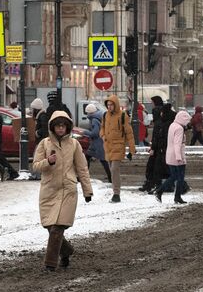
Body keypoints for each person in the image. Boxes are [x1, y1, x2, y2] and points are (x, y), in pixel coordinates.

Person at [32, 111, 93, 271]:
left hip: (68, 190)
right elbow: (35, 166)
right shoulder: (44, 144)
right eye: (58, 126)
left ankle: (50, 264)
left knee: (58, 228)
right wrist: (48, 162)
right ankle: (66, 251)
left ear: (67, 127)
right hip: (49, 191)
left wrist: (87, 191)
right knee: (50, 227)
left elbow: (82, 168)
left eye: (63, 126)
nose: (61, 129)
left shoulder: (74, 144)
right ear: (52, 127)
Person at [100, 95, 136, 203]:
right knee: (112, 170)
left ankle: (116, 193)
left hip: (118, 146)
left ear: (115, 105)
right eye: (108, 105)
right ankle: (115, 191)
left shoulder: (123, 115)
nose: (109, 107)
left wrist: (131, 150)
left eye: (111, 105)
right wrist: (103, 136)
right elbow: (102, 127)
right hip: (108, 146)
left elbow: (129, 134)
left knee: (114, 169)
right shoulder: (105, 115)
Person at [154, 110, 191, 204]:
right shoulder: (179, 129)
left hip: (170, 155)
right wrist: (179, 157)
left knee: (174, 176)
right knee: (179, 178)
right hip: (177, 156)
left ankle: (163, 192)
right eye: (187, 121)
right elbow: (177, 144)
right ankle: (172, 195)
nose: (187, 123)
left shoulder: (172, 125)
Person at [138, 97, 165, 192]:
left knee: (152, 167)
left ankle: (152, 185)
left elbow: (156, 135)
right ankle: (153, 184)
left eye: (152, 102)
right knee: (156, 167)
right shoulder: (162, 115)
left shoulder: (157, 115)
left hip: (158, 147)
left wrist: (153, 147)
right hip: (160, 147)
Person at [147, 104, 176, 194]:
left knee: (158, 169)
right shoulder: (173, 122)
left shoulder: (161, 123)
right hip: (169, 149)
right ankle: (170, 185)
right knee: (169, 169)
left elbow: (157, 137)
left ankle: (159, 186)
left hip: (161, 149)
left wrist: (153, 148)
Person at [84, 103, 111, 183]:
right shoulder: (100, 116)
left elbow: (95, 133)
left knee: (103, 161)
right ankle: (84, 176)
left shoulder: (94, 120)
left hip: (98, 143)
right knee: (87, 157)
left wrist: (86, 132)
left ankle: (111, 178)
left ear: (89, 112)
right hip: (99, 142)